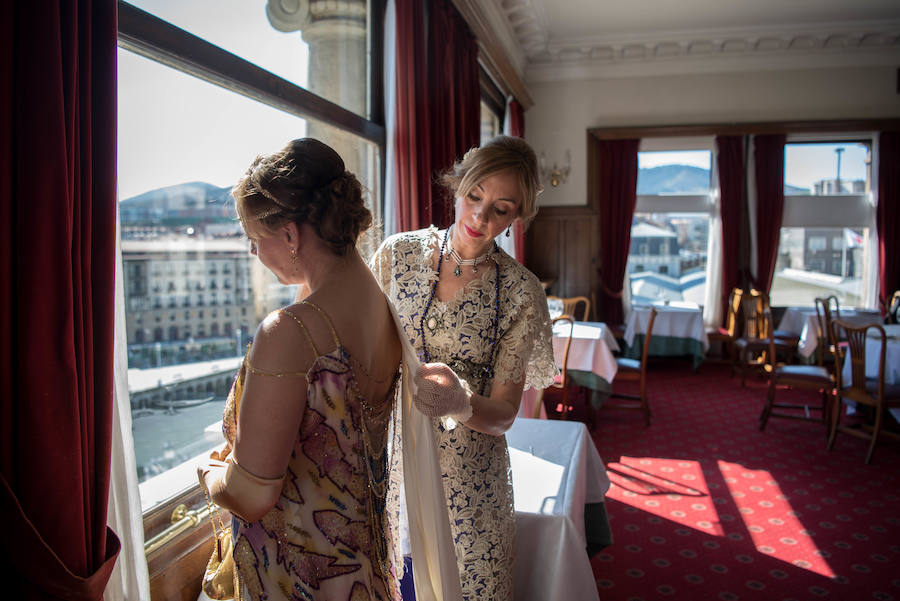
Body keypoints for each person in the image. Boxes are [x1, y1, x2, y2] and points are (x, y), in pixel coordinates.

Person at [198, 139, 405, 601]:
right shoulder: (380, 307)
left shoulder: (289, 331)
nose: (255, 254)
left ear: (290, 235)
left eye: (256, 240)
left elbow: (252, 496)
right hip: (359, 566)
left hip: (298, 574)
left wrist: (210, 473)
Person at [370, 135, 556, 600]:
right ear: (458, 187)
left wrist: (463, 402)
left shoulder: (520, 293)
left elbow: (506, 413)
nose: (480, 216)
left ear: (518, 216)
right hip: (390, 467)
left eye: (501, 208)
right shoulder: (398, 255)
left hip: (470, 485)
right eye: (475, 197)